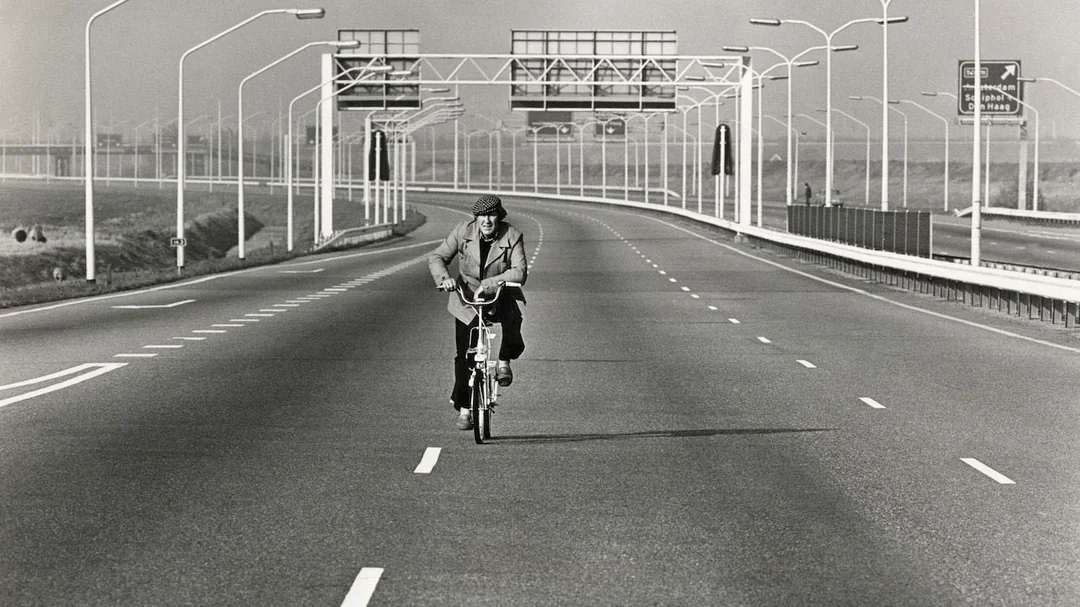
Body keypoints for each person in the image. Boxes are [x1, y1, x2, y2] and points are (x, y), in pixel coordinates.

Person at [429, 194, 528, 431]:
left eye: (492, 215)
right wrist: (446, 280)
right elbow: (437, 257)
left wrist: (492, 283)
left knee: (514, 320)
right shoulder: (463, 232)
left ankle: (504, 361)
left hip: (498, 294)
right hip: (467, 298)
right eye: (482, 215)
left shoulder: (512, 235)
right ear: (476, 218)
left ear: (499, 216)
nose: (487, 220)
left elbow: (520, 272)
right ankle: (465, 409)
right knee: (465, 355)